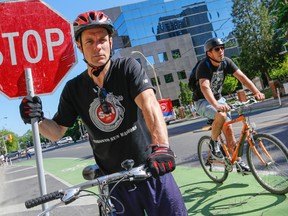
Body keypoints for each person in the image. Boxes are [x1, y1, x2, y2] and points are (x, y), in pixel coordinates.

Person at [19, 10, 187, 215]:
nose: (97, 46)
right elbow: (56, 132)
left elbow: (149, 104)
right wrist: (35, 118)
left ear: (111, 42)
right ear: (79, 46)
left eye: (102, 40)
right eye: (89, 41)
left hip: (151, 169)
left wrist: (161, 147)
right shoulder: (73, 89)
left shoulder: (127, 68)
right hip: (115, 183)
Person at [192, 37, 265, 173]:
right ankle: (214, 144)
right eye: (217, 49)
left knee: (229, 130)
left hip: (219, 99)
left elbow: (242, 77)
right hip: (201, 101)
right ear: (209, 53)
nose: (221, 51)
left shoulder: (226, 62)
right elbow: (204, 87)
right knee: (221, 114)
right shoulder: (204, 65)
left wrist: (256, 92)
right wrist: (216, 105)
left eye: (222, 48)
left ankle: (237, 162)